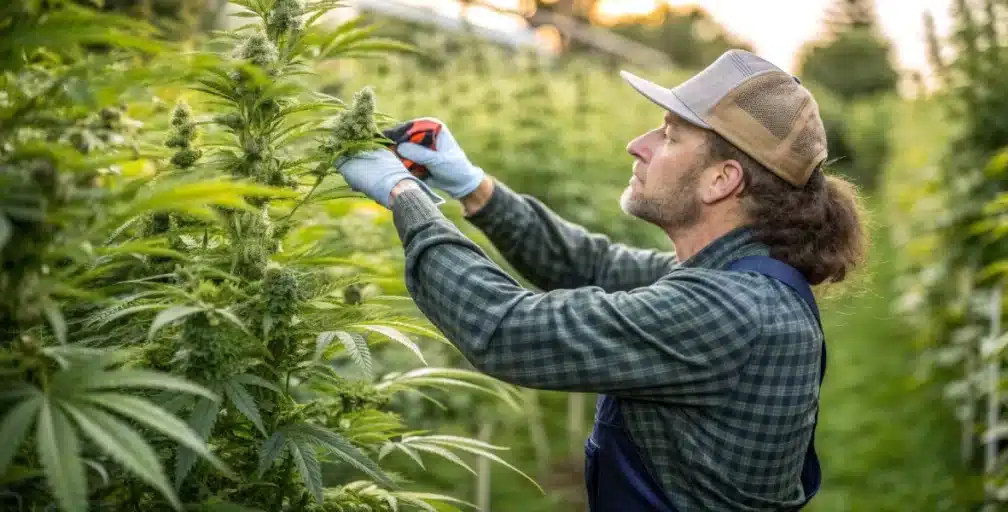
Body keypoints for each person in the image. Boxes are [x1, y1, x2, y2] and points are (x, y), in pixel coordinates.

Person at [337, 49, 867, 512]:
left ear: (722, 180)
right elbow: (596, 267)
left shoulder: (733, 311)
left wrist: (404, 196)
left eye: (669, 135)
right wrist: (475, 188)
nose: (638, 145)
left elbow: (507, 330)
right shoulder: (736, 278)